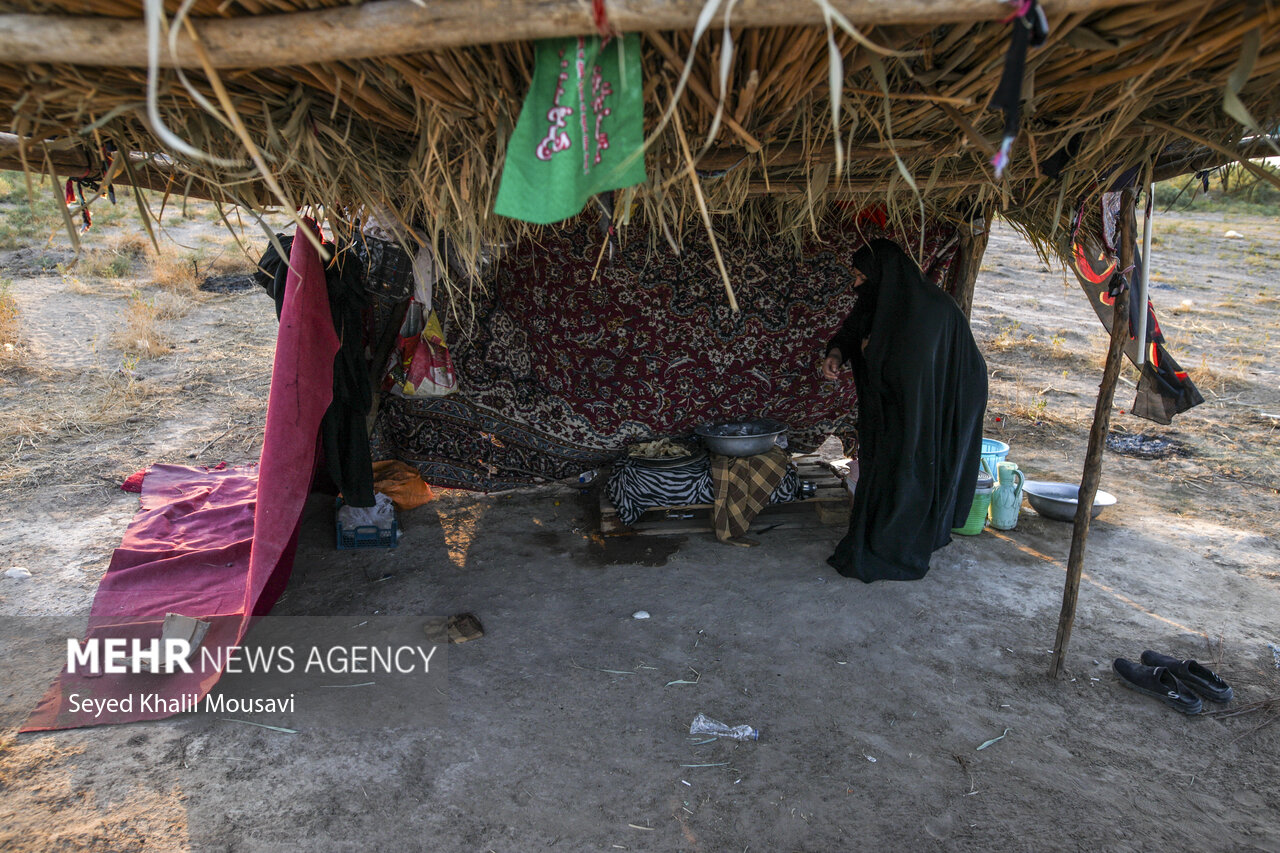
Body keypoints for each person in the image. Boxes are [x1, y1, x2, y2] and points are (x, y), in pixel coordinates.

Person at [822, 238, 988, 582]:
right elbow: (854, 331)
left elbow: (908, 373)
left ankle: (897, 547)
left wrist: (872, 353)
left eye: (860, 278)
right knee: (887, 466)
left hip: (930, 408)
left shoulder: (928, 311)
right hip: (897, 407)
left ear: (884, 275)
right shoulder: (881, 300)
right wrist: (838, 352)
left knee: (911, 468)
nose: (855, 285)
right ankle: (881, 534)